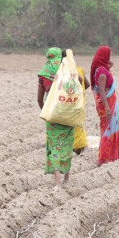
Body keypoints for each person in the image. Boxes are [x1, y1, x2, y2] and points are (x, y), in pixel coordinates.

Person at [37, 47, 74, 189]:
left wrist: (45, 112)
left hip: (52, 113)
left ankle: (57, 181)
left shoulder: (44, 73)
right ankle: (66, 177)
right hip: (67, 111)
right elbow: (82, 82)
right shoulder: (67, 67)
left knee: (54, 145)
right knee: (66, 143)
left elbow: (39, 99)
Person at [90, 45, 119, 166]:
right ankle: (104, 158)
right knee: (107, 131)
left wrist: (107, 62)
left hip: (107, 104)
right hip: (107, 105)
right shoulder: (103, 72)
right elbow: (102, 91)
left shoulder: (99, 68)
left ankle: (110, 156)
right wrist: (108, 108)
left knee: (107, 128)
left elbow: (110, 65)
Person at [61, 49, 90, 155]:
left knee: (67, 124)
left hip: (69, 102)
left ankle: (74, 146)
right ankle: (79, 146)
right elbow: (87, 84)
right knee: (78, 124)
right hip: (80, 102)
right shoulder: (79, 69)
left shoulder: (64, 71)